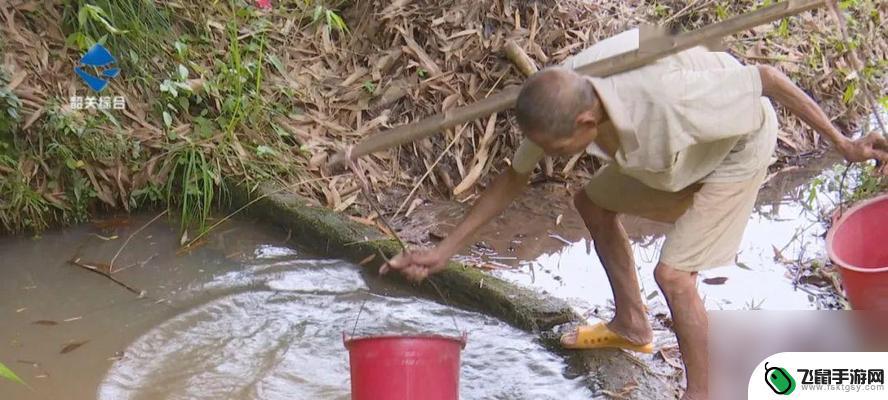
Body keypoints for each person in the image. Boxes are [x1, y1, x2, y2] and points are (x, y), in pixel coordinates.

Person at [380, 29, 888, 400]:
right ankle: (632, 325)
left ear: (586, 121)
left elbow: (768, 80)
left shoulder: (670, 100)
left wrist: (843, 143)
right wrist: (443, 251)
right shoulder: (564, 92)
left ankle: (702, 393)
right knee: (592, 203)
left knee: (675, 273)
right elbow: (513, 179)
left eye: (555, 149)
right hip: (673, 152)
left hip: (736, 147)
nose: (549, 157)